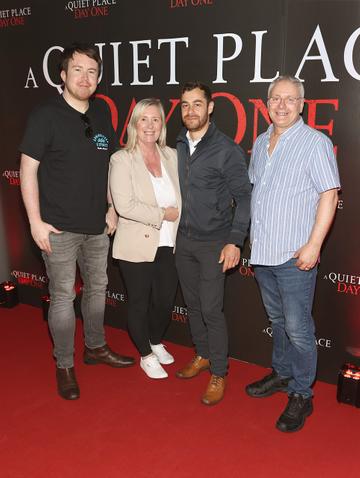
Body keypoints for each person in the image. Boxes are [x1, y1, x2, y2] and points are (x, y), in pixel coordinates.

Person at [19, 42, 135, 401]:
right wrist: (35, 222)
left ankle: (95, 346)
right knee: (62, 296)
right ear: (63, 74)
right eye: (78, 70)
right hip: (58, 228)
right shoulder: (45, 115)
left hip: (98, 227)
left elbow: (111, 165)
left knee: (98, 290)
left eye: (92, 71)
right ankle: (65, 363)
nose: (85, 78)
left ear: (98, 78)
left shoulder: (100, 112)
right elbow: (27, 170)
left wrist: (113, 208)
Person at [246, 75, 340, 432]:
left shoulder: (315, 142)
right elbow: (259, 195)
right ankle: (283, 374)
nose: (281, 105)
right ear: (266, 103)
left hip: (294, 255)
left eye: (290, 99)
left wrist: (314, 244)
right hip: (264, 254)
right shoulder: (260, 141)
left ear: (302, 104)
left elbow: (329, 194)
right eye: (275, 99)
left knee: (299, 328)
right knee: (279, 322)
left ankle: (302, 393)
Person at [175, 81, 251, 405]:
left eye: (197, 104)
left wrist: (235, 242)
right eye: (185, 105)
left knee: (210, 308)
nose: (190, 111)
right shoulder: (177, 143)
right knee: (193, 306)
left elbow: (245, 199)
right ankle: (202, 354)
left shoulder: (226, 149)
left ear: (210, 107)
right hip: (184, 241)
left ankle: (219, 370)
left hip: (213, 244)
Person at [109, 98, 181, 379]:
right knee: (139, 301)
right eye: (144, 119)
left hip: (169, 244)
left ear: (162, 124)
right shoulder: (121, 158)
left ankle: (154, 340)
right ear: (134, 124)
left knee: (164, 301)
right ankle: (145, 354)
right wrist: (163, 213)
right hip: (136, 245)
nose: (150, 125)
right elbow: (124, 205)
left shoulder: (171, 156)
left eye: (156, 119)